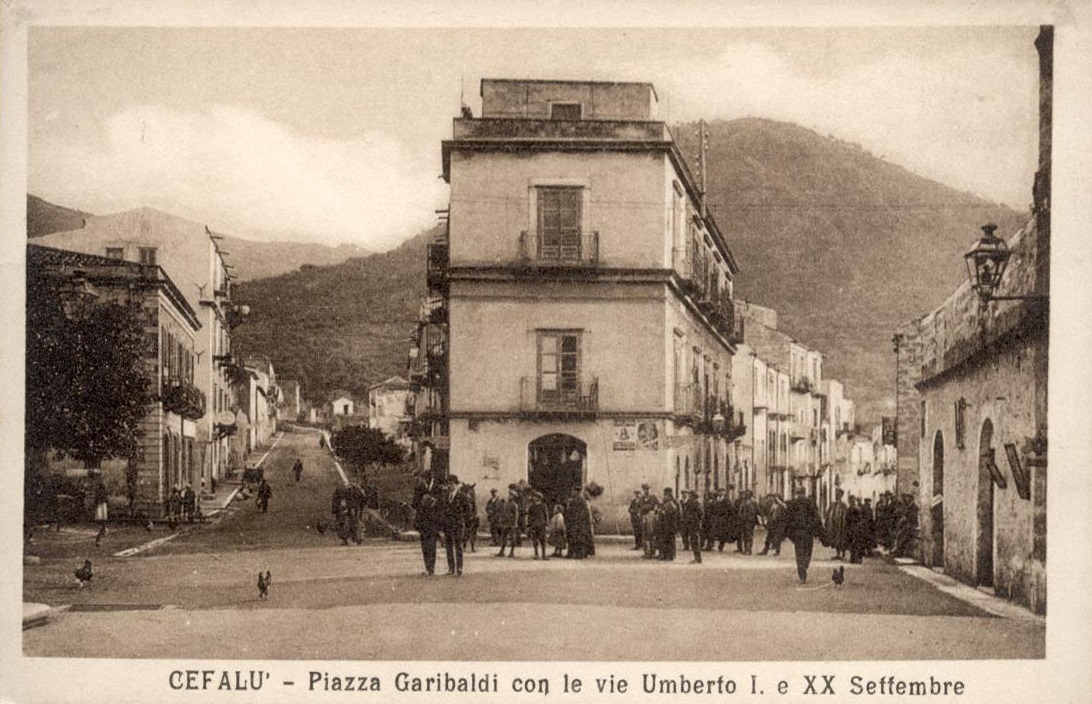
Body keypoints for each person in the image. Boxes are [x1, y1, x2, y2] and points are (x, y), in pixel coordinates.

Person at [782, 486, 826, 583]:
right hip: (807, 532)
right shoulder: (809, 503)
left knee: (800, 552)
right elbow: (816, 517)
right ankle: (804, 567)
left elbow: (787, 519)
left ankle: (802, 571)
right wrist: (818, 531)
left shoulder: (794, 503)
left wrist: (787, 532)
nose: (800, 495)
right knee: (807, 550)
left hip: (799, 532)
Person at [439, 474, 471, 576]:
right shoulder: (445, 497)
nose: (449, 486)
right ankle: (451, 568)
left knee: (458, 546)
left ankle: (459, 568)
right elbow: (443, 511)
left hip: (458, 525)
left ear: (456, 484)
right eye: (448, 484)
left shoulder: (462, 497)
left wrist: (463, 522)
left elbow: (468, 511)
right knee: (448, 547)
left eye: (451, 484)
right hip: (448, 525)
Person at [411, 471, 441, 574]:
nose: (421, 481)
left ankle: (431, 567)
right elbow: (414, 504)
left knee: (432, 544)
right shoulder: (418, 488)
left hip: (434, 521)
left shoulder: (438, 488)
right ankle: (427, 567)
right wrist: (422, 502)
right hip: (423, 521)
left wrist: (433, 502)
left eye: (423, 478)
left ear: (428, 478)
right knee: (424, 544)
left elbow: (442, 504)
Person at [564, 486, 595, 559]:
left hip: (579, 523)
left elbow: (578, 512)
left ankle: (579, 554)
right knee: (573, 537)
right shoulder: (576, 499)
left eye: (573, 491)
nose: (572, 492)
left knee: (579, 539)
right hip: (574, 522)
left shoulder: (580, 500)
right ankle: (572, 553)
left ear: (577, 491)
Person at [495, 485, 520, 558]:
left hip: (511, 523)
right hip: (505, 523)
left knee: (512, 538)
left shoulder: (514, 505)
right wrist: (501, 520)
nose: (510, 496)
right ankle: (502, 551)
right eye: (509, 495)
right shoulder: (506, 503)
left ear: (514, 497)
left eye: (511, 495)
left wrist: (514, 524)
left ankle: (512, 552)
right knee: (504, 537)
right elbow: (503, 512)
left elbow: (516, 515)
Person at [824, 488, 849, 560]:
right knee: (835, 539)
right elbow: (828, 513)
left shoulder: (843, 505)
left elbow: (846, 515)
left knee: (842, 538)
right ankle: (838, 553)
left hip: (841, 525)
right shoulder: (833, 504)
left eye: (838, 494)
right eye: (836, 494)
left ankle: (842, 553)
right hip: (834, 525)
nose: (837, 495)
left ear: (841, 495)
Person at [657, 487, 680, 561]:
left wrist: (664, 513)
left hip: (671, 524)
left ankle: (671, 556)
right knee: (665, 540)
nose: (664, 496)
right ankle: (665, 555)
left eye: (666, 495)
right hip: (664, 524)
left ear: (669, 495)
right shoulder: (665, 502)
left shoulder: (674, 502)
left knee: (670, 541)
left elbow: (678, 514)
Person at [681, 489, 704, 564]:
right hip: (692, 524)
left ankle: (698, 559)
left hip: (694, 525)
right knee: (694, 541)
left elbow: (701, 514)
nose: (689, 496)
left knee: (695, 542)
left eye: (690, 495)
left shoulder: (696, 503)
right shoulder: (694, 502)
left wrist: (694, 520)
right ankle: (696, 558)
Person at [526, 490, 550, 560]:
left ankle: (544, 555)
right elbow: (529, 516)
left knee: (543, 540)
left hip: (541, 525)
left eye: (536, 497)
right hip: (534, 525)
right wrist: (529, 525)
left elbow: (546, 515)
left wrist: (546, 525)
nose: (534, 498)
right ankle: (536, 554)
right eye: (534, 497)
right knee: (535, 540)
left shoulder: (543, 506)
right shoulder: (531, 506)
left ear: (539, 498)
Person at [736, 490, 760, 555]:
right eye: (746, 494)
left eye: (748, 494)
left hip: (750, 521)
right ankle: (746, 548)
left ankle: (749, 550)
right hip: (743, 520)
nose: (746, 495)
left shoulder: (754, 502)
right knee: (744, 535)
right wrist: (740, 516)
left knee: (749, 535)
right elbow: (740, 510)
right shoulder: (743, 502)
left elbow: (758, 511)